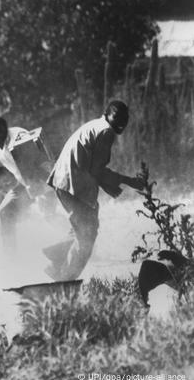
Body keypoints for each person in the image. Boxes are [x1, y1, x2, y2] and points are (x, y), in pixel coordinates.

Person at [44, 100, 145, 281]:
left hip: (64, 182)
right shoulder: (106, 131)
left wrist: (109, 185)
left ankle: (56, 259)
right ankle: (65, 280)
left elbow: (92, 166)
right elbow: (96, 170)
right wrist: (128, 181)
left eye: (125, 118)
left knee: (82, 227)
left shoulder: (95, 125)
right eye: (117, 117)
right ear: (107, 114)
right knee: (87, 236)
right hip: (73, 185)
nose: (121, 122)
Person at [0, 116, 50, 253]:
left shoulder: (19, 135)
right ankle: (10, 255)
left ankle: (83, 239)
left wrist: (39, 189)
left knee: (49, 217)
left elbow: (37, 162)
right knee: (4, 211)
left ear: (6, 130)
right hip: (24, 184)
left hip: (43, 180)